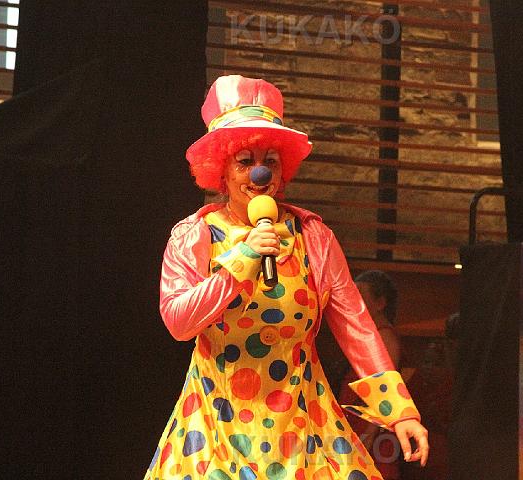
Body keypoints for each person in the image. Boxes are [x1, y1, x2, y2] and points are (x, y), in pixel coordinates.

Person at [144, 75, 428, 480]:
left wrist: (400, 412)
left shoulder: (314, 237)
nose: (260, 173)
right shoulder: (195, 235)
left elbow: (357, 325)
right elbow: (179, 322)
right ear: (221, 170)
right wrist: (242, 259)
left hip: (304, 424)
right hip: (216, 425)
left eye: (270, 162)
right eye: (245, 161)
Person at [339, 271, 403, 479]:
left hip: (372, 430)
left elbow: (385, 391)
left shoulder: (385, 337)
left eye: (360, 296)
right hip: (355, 423)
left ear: (380, 303)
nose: (353, 301)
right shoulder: (368, 334)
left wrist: (368, 435)